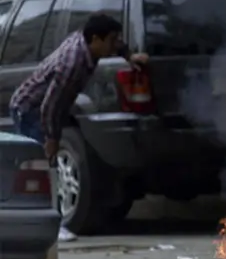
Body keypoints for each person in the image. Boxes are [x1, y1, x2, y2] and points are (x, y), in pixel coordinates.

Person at [9, 13, 150, 242]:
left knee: (41, 167)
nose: (115, 45)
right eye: (112, 40)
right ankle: (48, 226)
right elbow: (49, 106)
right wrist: (52, 138)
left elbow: (114, 43)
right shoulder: (72, 64)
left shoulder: (89, 43)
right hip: (30, 109)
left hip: (44, 108)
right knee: (42, 167)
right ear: (96, 39)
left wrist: (129, 55)